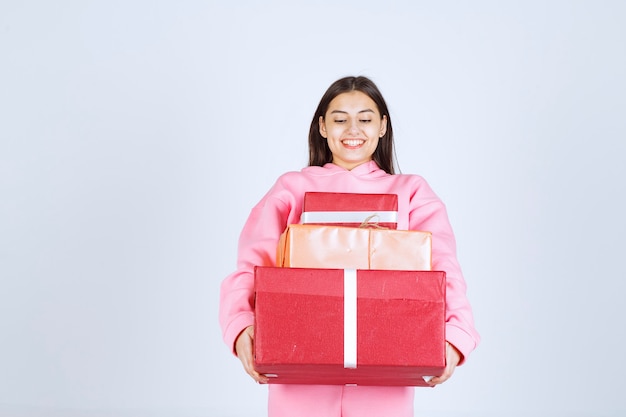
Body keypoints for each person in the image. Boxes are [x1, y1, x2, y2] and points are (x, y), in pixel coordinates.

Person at [219, 75, 480, 417]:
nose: (352, 129)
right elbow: (252, 263)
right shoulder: (291, 188)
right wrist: (241, 325)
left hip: (386, 370)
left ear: (383, 126)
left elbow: (444, 268)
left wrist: (455, 335)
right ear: (323, 127)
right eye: (340, 119)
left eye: (366, 119)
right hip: (299, 370)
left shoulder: (412, 191)